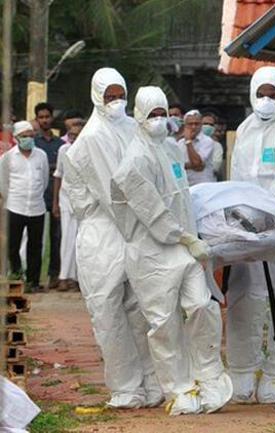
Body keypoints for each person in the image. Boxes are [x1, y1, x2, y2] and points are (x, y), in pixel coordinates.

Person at [111, 86, 233, 415]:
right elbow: (153, 213)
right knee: (163, 323)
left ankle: (208, 378)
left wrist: (194, 236)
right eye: (152, 114)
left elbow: (182, 196)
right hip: (152, 253)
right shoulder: (133, 161)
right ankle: (178, 388)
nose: (159, 120)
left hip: (184, 248)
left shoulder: (170, 149)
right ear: (138, 116)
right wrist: (185, 238)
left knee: (200, 307)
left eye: (163, 113)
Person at [62, 67, 162, 409]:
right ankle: (125, 387)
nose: (117, 102)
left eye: (121, 95)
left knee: (139, 309)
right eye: (110, 96)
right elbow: (112, 193)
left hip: (134, 228)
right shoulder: (92, 138)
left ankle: (151, 383)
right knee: (107, 310)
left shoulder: (132, 128)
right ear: (96, 96)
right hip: (103, 232)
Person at [227, 66, 275, 404]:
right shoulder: (244, 130)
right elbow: (236, 179)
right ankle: (242, 371)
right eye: (261, 94)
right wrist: (238, 219)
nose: (266, 101)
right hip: (246, 230)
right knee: (243, 295)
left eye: (273, 95)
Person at [0, 121, 49, 291]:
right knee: (12, 245)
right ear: (16, 138)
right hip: (15, 206)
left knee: (35, 246)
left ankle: (33, 282)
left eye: (31, 135)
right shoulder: (7, 158)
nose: (28, 139)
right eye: (24, 136)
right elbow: (3, 184)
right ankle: (16, 273)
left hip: (37, 207)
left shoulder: (41, 155)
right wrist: (10, 199)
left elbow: (44, 181)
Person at [34, 102, 65, 290]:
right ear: (37, 120)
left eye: (47, 117)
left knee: (57, 237)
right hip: (37, 196)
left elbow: (59, 171)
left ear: (52, 118)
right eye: (41, 117)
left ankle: (54, 274)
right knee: (36, 239)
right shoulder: (34, 143)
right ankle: (34, 277)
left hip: (56, 196)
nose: (45, 120)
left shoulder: (60, 144)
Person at [52, 114, 84, 292]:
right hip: (66, 200)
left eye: (77, 136)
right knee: (67, 238)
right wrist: (56, 202)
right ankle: (64, 276)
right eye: (71, 136)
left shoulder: (88, 150)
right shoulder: (64, 150)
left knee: (82, 240)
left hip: (84, 201)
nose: (73, 139)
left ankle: (79, 278)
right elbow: (58, 176)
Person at [178, 110, 216, 185]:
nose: (193, 127)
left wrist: (188, 141)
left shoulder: (207, 141)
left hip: (204, 185)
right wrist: (193, 166)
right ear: (185, 125)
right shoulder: (180, 143)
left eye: (196, 124)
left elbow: (197, 163)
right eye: (190, 124)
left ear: (201, 125)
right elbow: (176, 166)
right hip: (185, 185)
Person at [201, 111, 225, 180]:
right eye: (205, 124)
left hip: (209, 183)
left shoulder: (217, 146)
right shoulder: (189, 143)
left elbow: (215, 167)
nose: (208, 126)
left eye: (211, 124)